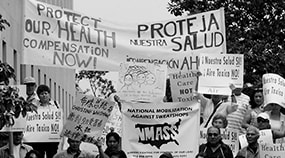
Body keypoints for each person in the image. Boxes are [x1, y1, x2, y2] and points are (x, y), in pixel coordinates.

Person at [26, 84, 60, 158]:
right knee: (38, 154)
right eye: (41, 94)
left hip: (51, 138)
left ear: (49, 94)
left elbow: (58, 119)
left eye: (46, 93)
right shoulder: (34, 105)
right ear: (38, 96)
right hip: (39, 138)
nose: (44, 95)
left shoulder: (55, 105)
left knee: (52, 155)